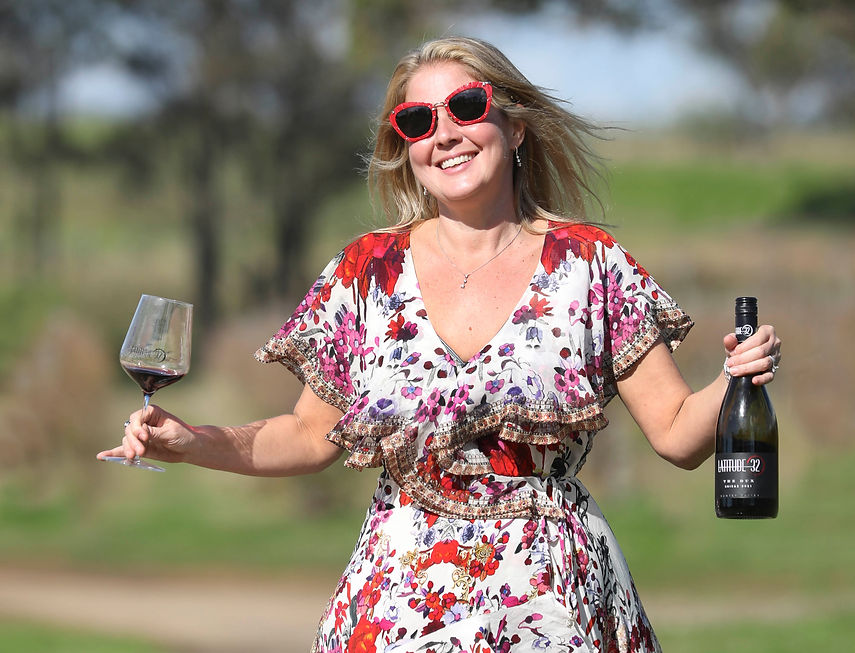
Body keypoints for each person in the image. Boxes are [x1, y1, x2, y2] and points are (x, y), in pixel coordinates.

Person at [99, 36, 782, 652]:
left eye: (466, 107)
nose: (445, 134)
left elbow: (676, 433)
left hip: (553, 604)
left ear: (514, 125)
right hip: (398, 602)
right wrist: (192, 441)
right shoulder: (365, 271)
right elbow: (308, 436)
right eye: (418, 121)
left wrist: (735, 378)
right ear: (405, 147)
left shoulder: (589, 264)